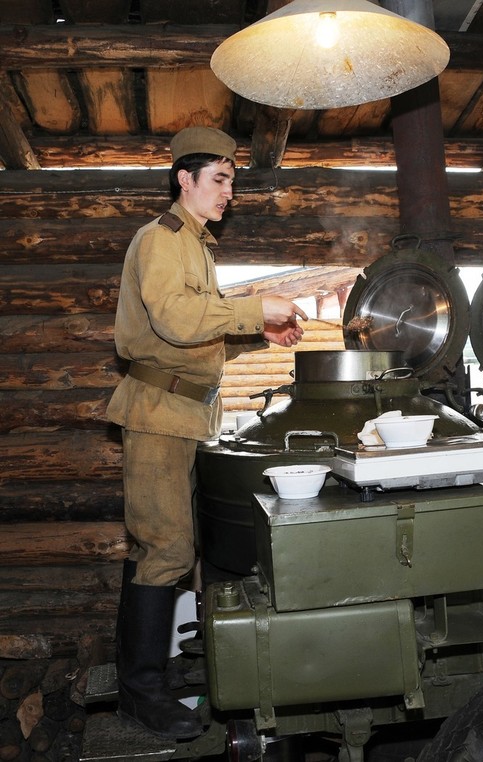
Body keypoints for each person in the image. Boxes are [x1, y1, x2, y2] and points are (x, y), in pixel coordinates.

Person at [106, 126, 308, 739]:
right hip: (160, 415)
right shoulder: (161, 240)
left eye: (232, 182)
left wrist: (256, 333)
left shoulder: (196, 245)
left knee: (161, 547)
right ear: (184, 179)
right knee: (165, 550)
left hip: (187, 413)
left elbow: (196, 330)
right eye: (219, 180)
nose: (229, 193)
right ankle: (141, 694)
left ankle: (145, 679)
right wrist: (257, 307)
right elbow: (172, 319)